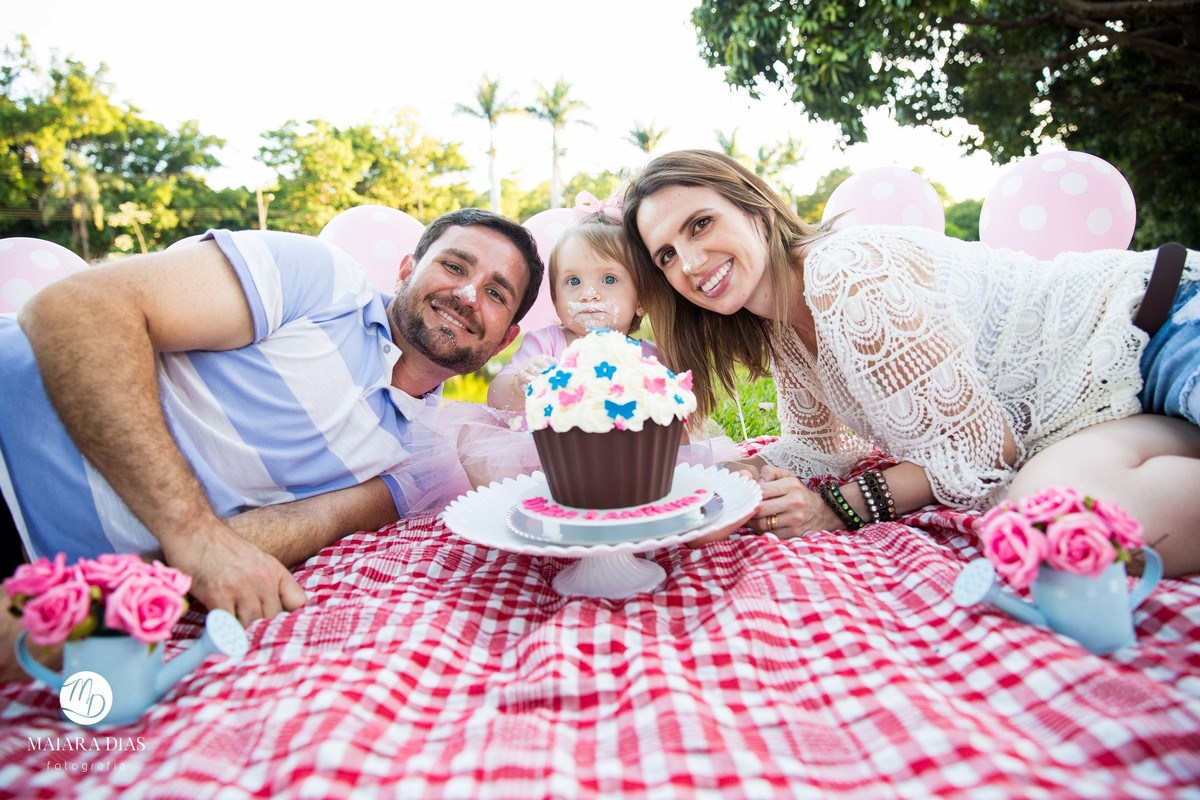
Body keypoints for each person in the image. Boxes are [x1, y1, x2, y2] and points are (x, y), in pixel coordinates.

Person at [621, 149, 1200, 577]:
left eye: (701, 224)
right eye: (667, 254)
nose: (691, 262)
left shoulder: (843, 273)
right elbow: (819, 449)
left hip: (1160, 320)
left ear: (758, 213)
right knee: (1059, 525)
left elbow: (979, 453)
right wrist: (741, 474)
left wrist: (832, 510)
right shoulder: (780, 330)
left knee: (1059, 520)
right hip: (1098, 411)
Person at [0, 209, 544, 644]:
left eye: (496, 293)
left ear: (505, 340)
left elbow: (308, 522)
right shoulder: (324, 281)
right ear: (407, 269)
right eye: (454, 266)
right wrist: (194, 535)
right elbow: (76, 308)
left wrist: (87, 605)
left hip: (36, 571)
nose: (468, 295)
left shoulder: (424, 455)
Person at [488, 195, 653, 413]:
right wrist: (520, 384)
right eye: (573, 281)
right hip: (544, 445)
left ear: (641, 299)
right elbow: (495, 398)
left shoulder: (650, 358)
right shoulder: (545, 344)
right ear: (556, 299)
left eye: (609, 279)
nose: (589, 294)